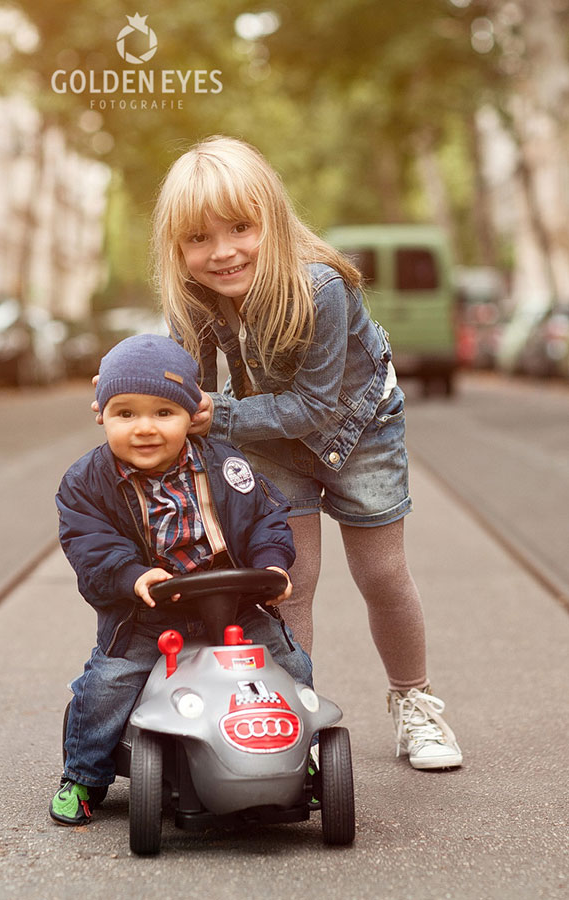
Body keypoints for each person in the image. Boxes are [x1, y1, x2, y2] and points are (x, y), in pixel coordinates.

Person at [148, 134, 462, 771]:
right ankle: (294, 721)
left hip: (358, 426)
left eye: (240, 227)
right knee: (288, 584)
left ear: (273, 219)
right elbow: (183, 383)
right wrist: (130, 386)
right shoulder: (193, 302)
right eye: (198, 239)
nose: (223, 252)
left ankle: (415, 702)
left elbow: (314, 408)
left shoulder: (320, 287)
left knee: (380, 574)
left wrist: (221, 414)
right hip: (271, 439)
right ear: (176, 250)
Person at [51, 333, 313, 826]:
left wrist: (273, 564)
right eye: (126, 414)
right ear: (100, 413)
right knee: (107, 684)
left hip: (232, 607)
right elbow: (89, 544)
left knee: (291, 667)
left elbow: (266, 517)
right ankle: (83, 774)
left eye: (163, 414)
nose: (145, 429)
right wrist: (131, 574)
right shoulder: (86, 483)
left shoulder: (225, 465)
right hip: (149, 614)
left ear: (192, 414)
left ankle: (304, 757)